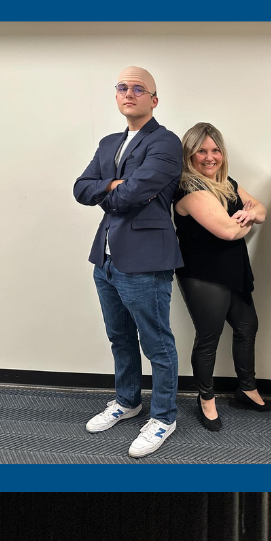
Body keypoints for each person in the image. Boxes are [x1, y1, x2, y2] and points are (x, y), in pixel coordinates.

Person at [72, 66, 184, 458]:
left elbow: (131, 195)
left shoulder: (166, 143)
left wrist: (112, 190)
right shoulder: (107, 143)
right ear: (116, 96)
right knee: (119, 337)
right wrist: (111, 186)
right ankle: (127, 400)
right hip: (105, 257)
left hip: (146, 260)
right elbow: (80, 188)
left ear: (154, 99)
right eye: (122, 87)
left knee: (157, 343)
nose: (129, 93)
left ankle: (164, 417)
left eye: (139, 88)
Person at [174, 122, 271, 432]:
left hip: (232, 268)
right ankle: (206, 399)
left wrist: (252, 213)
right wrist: (248, 219)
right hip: (202, 273)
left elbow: (262, 209)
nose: (209, 156)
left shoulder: (227, 182)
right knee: (208, 339)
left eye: (215, 149)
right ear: (189, 155)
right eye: (201, 150)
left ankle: (246, 389)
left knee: (247, 326)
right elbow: (228, 231)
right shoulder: (190, 189)